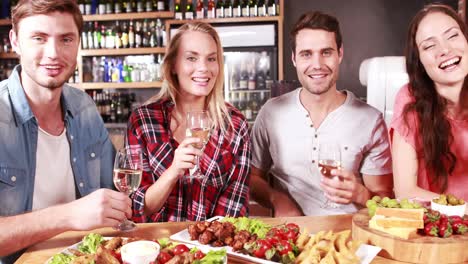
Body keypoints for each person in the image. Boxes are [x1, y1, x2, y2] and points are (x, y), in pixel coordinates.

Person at [0, 0, 131, 261]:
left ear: (78, 43)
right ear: (15, 41)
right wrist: (69, 215)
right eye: (39, 38)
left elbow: (113, 196)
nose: (54, 53)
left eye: (66, 39)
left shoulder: (84, 108)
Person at [250, 11, 394, 216]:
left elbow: (385, 202)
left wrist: (361, 194)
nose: (317, 64)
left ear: (340, 54)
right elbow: (252, 178)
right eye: (306, 54)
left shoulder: (370, 120)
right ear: (294, 59)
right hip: (291, 235)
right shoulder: (271, 112)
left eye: (326, 52)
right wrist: (277, 199)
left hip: (348, 238)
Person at [126, 21, 251, 222]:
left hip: (212, 249)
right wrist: (174, 171)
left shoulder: (235, 125)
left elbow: (234, 209)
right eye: (192, 58)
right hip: (156, 248)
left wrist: (202, 247)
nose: (203, 68)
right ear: (173, 65)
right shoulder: (144, 121)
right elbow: (136, 209)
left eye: (211, 59)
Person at [391, 4, 468, 204]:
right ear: (420, 62)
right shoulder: (410, 99)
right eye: (429, 45)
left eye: (452, 36)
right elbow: (405, 192)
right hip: (438, 228)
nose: (445, 50)